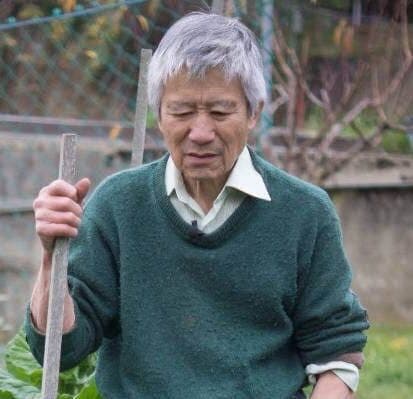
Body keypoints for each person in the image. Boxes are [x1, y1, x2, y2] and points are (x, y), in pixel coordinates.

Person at [26, 12, 369, 399]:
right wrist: (50, 256)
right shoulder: (118, 206)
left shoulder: (304, 212)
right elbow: (60, 348)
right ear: (158, 115)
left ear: (254, 112)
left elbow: (336, 352)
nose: (201, 133)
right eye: (182, 112)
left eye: (221, 112)